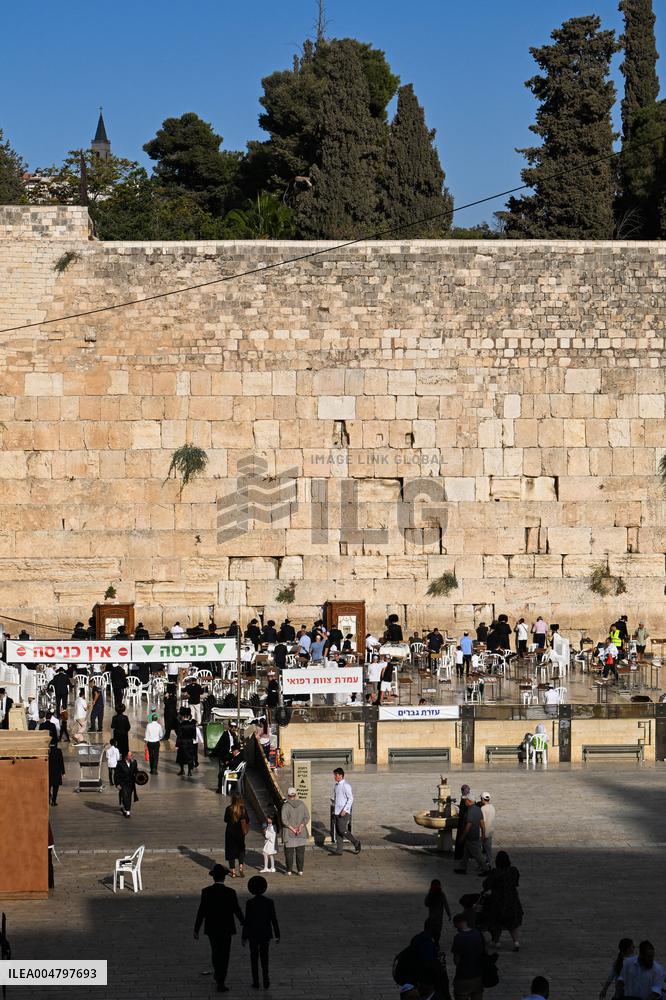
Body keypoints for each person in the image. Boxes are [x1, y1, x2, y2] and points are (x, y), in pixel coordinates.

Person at [194, 863, 244, 994]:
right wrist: (244, 922)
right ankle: (221, 980)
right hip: (227, 928)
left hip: (212, 928)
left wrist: (196, 929)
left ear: (213, 878)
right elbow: (236, 910)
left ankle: (218, 974)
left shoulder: (206, 892)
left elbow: (201, 911)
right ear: (224, 878)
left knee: (215, 952)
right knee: (225, 954)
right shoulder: (230, 892)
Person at [242, 875, 280, 990]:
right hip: (265, 933)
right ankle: (266, 978)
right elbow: (274, 919)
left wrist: (244, 936)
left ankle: (256, 981)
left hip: (253, 934)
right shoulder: (269, 902)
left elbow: (247, 921)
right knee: (265, 957)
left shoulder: (250, 903)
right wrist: (277, 934)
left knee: (254, 958)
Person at [481, 850, 523, 951]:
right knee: (513, 923)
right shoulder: (514, 871)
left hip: (498, 900)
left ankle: (496, 940)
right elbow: (516, 883)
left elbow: (486, 885)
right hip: (512, 899)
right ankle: (516, 942)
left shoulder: (495, 873)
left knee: (497, 922)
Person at [451, 912, 485, 1000]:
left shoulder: (459, 937)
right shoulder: (477, 933)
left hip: (463, 977)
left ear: (459, 923)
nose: (456, 928)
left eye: (455, 925)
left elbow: (457, 960)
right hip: (478, 976)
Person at [454, 790, 488, 875]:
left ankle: (486, 869)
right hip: (474, 836)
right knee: (466, 853)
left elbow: (468, 827)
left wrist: (462, 837)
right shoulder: (478, 809)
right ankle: (462, 867)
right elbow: (482, 823)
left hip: (471, 837)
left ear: (469, 801)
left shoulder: (470, 812)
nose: (465, 801)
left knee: (478, 855)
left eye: (465, 800)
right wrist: (483, 834)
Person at [330, 767, 361, 855]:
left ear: (340, 775)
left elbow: (350, 798)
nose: (334, 777)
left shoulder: (346, 785)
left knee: (342, 829)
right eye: (334, 775)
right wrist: (333, 802)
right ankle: (339, 850)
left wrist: (345, 809)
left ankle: (356, 842)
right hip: (337, 811)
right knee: (338, 831)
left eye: (336, 775)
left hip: (343, 812)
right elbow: (337, 797)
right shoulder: (336, 785)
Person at [281, 786, 310, 875]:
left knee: (289, 853)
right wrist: (301, 826)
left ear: (288, 795)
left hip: (289, 833)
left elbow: (284, 820)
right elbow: (307, 817)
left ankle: (289, 871)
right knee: (300, 853)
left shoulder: (285, 806)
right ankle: (300, 870)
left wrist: (293, 829)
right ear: (295, 795)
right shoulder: (302, 804)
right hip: (301, 833)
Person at [224, 794, 249, 878]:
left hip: (230, 832)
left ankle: (233, 871)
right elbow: (247, 820)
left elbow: (225, 820)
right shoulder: (243, 809)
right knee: (241, 850)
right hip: (240, 833)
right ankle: (241, 867)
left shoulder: (229, 809)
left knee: (231, 851)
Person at [212, 722, 240, 794]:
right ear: (229, 727)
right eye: (232, 727)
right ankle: (220, 787)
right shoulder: (225, 735)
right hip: (225, 755)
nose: (233, 729)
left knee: (228, 769)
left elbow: (236, 745)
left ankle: (230, 786)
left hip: (232, 754)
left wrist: (237, 737)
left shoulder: (234, 735)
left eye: (235, 727)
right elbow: (219, 746)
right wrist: (222, 758)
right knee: (221, 771)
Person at [425, 879, 452, 945]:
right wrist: (449, 914)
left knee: (435, 930)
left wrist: (449, 914)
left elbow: (426, 903)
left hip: (435, 917)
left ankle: (435, 942)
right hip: (436, 917)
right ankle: (435, 942)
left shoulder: (440, 894)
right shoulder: (436, 894)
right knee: (436, 930)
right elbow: (427, 903)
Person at [115, 750, 138, 818]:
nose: (132, 756)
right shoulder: (120, 763)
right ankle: (127, 812)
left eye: (132, 755)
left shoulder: (134, 762)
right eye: (130, 755)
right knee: (125, 796)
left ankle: (126, 809)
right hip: (123, 783)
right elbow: (116, 775)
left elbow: (136, 771)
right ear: (126, 757)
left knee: (129, 797)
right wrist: (117, 784)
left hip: (131, 783)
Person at [176, 707, 197, 777]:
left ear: (182, 716)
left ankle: (182, 770)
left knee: (181, 757)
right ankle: (189, 771)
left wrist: (177, 745)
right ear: (188, 716)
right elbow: (194, 734)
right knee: (190, 757)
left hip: (182, 743)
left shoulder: (180, 725)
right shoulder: (192, 724)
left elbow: (179, 736)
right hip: (190, 742)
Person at [454, 785, 471, 862]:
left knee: (461, 839)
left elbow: (463, 813)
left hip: (463, 824)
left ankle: (460, 856)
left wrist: (459, 812)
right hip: (466, 823)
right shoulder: (470, 799)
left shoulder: (464, 799)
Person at [479, 793, 495, 867]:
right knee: (488, 848)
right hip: (490, 831)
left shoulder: (483, 808)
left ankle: (485, 864)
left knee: (483, 849)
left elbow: (483, 821)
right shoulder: (492, 807)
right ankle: (488, 862)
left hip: (484, 831)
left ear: (482, 799)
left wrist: (483, 834)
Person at [48, 741, 65, 806]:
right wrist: (63, 772)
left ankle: (48, 798)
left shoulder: (47, 751)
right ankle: (53, 801)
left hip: (49, 771)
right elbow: (61, 762)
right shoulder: (59, 751)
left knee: (48, 786)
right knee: (55, 787)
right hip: (57, 772)